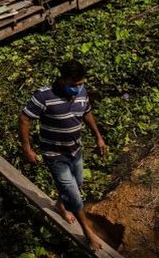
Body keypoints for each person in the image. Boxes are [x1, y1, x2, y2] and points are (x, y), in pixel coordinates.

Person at [19, 59, 107, 251]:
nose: (79, 88)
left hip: (75, 150)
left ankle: (60, 203)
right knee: (74, 196)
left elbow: (87, 113)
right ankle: (87, 234)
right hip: (54, 154)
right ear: (63, 79)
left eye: (81, 83)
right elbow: (24, 118)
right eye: (74, 85)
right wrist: (27, 148)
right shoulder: (44, 96)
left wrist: (98, 137)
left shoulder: (82, 92)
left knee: (78, 182)